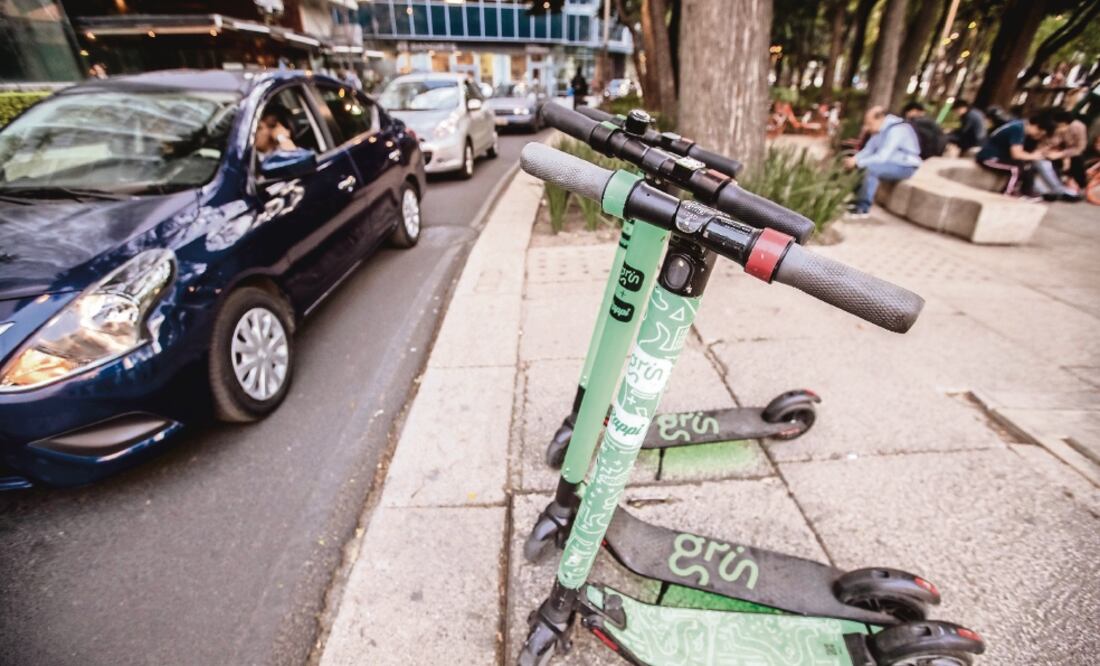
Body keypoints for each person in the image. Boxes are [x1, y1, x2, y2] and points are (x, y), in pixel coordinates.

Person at [975, 112, 1082, 202]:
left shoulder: (1020, 127)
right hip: (989, 158)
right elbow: (1016, 154)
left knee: (1025, 166)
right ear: (1035, 126)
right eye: (1039, 133)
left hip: (1000, 157)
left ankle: (1026, 192)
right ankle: (1007, 193)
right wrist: (1033, 156)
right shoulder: (1017, 129)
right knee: (1015, 169)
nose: (1037, 136)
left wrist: (1036, 155)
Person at [842, 105, 923, 217]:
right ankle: (857, 200)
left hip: (905, 166)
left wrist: (858, 162)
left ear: (880, 118)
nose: (867, 127)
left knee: (870, 169)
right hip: (890, 163)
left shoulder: (897, 129)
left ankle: (863, 208)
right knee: (862, 166)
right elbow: (868, 150)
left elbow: (882, 157)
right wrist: (854, 159)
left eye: (869, 123)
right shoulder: (879, 131)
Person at [1046, 108, 1089, 190]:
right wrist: (1059, 133)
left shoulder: (1078, 126)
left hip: (1075, 152)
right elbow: (1053, 142)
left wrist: (1062, 154)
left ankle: (1080, 185)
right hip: (1061, 151)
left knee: (1077, 161)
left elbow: (1080, 147)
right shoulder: (1058, 127)